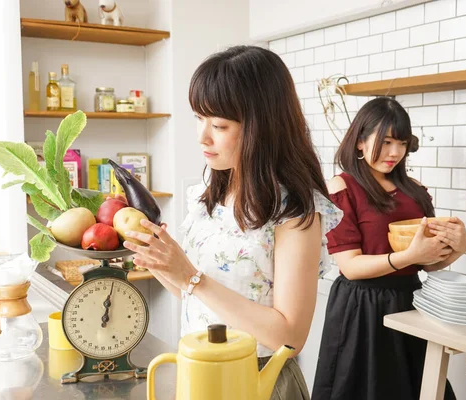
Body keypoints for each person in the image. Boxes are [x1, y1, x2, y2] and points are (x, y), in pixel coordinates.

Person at [123, 45, 342, 399]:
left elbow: (289, 337)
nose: (202, 136)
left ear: (262, 127)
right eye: (199, 118)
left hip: (255, 380)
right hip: (199, 372)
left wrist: (191, 276)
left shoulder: (295, 211)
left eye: (219, 125)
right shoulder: (208, 194)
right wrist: (163, 263)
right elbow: (191, 295)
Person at [311, 97, 466, 400]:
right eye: (385, 142)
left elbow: (427, 262)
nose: (395, 152)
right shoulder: (341, 188)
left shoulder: (415, 191)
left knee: (419, 387)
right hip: (361, 308)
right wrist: (409, 256)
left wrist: (458, 248)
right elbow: (350, 267)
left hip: (412, 301)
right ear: (359, 141)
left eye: (401, 142)